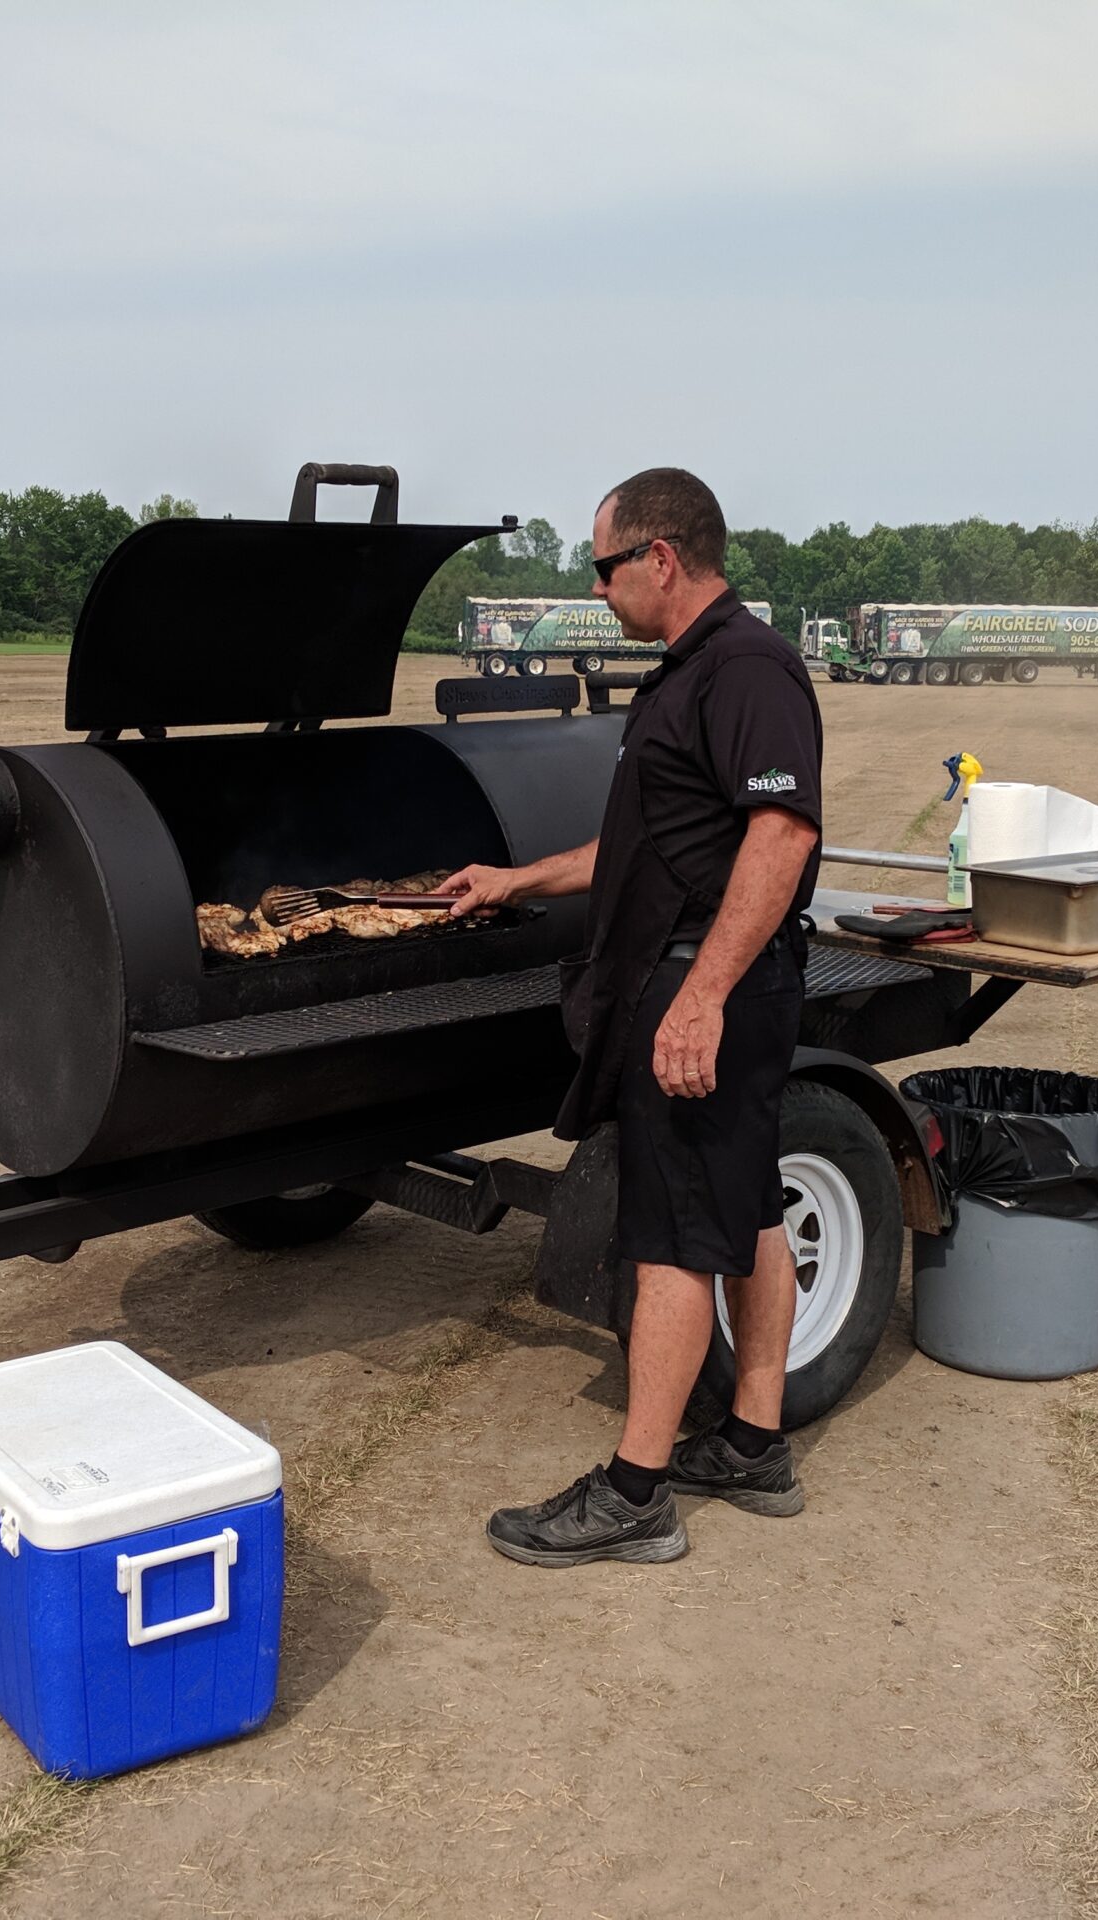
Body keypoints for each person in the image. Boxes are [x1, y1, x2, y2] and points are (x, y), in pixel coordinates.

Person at [437, 467, 823, 1567]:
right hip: (706, 977)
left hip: (710, 985)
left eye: (602, 567)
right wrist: (520, 882)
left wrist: (699, 998)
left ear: (660, 557)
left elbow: (781, 836)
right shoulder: (691, 674)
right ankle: (753, 1443)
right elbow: (653, 846)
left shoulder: (746, 668)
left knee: (665, 1239)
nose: (597, 588)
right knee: (743, 1210)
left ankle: (636, 1492)